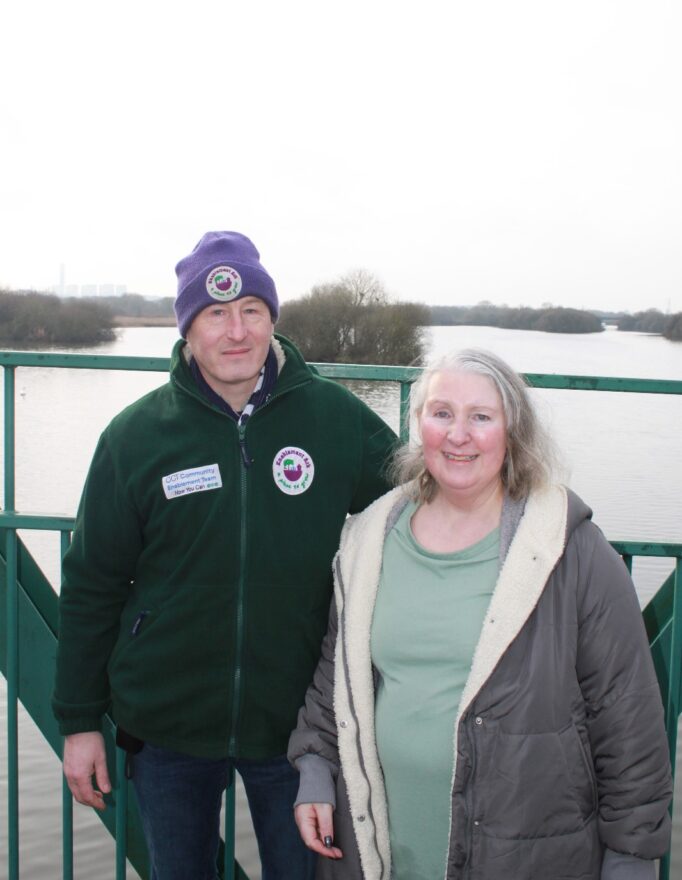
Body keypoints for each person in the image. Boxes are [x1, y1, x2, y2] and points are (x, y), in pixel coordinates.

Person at [52, 231, 396, 880]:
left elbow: (428, 502)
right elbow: (92, 584)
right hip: (166, 729)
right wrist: (77, 722)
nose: (235, 332)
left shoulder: (333, 420)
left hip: (297, 732)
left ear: (272, 320)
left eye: (251, 312)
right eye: (215, 315)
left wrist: (526, 508)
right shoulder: (136, 438)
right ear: (188, 330)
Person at [288, 348, 672, 880]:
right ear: (418, 425)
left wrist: (632, 857)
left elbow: (628, 720)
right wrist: (314, 764)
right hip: (385, 849)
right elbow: (338, 677)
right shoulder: (370, 540)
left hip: (524, 855)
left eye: (481, 417)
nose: (458, 434)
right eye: (441, 413)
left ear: (512, 433)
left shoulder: (571, 552)